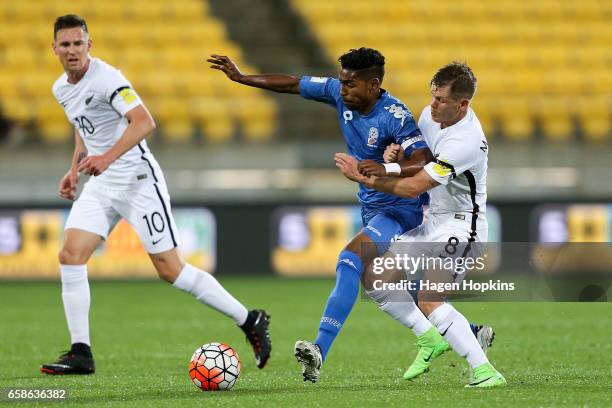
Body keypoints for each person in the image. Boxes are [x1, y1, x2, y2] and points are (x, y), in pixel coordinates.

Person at [208, 48, 490, 383]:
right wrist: (242, 78)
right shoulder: (357, 99)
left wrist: (383, 167)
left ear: (373, 84)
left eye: (350, 84)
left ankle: (320, 349)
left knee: (351, 260)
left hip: (401, 210)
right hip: (385, 206)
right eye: (341, 81)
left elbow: (423, 161)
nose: (343, 89)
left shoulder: (396, 114)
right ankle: (453, 335)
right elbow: (292, 84)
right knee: (382, 282)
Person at [41, 14, 271, 375]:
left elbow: (145, 121)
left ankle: (249, 319)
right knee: (70, 256)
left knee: (171, 270)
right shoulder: (61, 88)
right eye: (65, 44)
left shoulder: (108, 78)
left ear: (90, 45)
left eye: (78, 43)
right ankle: (81, 352)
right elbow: (82, 128)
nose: (72, 50)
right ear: (54, 48)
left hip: (137, 180)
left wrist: (106, 157)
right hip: (101, 183)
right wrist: (74, 170)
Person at [335, 62, 506, 387]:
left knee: (430, 297)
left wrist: (369, 179)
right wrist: (396, 159)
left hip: (462, 228)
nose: (432, 105)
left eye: (441, 99)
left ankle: (485, 371)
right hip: (434, 223)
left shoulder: (466, 141)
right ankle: (434, 337)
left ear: (463, 105)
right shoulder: (431, 116)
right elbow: (420, 162)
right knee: (376, 277)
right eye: (433, 96)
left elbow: (415, 187)